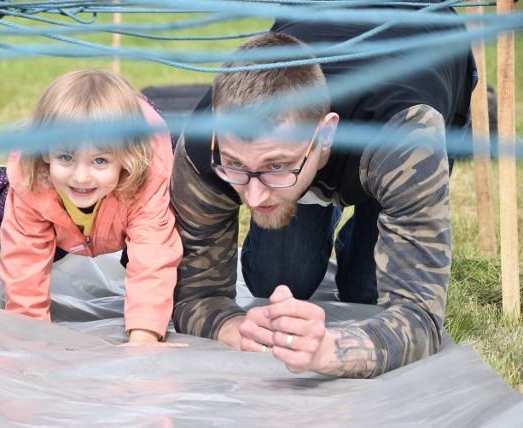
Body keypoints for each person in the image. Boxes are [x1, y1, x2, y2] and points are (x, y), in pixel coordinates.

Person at [170, 8, 475, 376]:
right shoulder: (205, 144)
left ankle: (376, 210)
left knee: (366, 294)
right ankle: (316, 190)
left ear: (326, 134)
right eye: (236, 165)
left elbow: (419, 315)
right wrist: (232, 328)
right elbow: (197, 295)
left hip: (429, 45)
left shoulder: (407, 140)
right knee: (275, 278)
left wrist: (335, 350)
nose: (252, 198)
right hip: (316, 18)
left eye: (276, 166)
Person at [0, 69, 183, 346]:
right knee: (7, 219)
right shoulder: (33, 182)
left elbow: (153, 252)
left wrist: (145, 336)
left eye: (99, 161)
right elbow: (24, 259)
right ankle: (2, 189)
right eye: (66, 157)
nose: (82, 177)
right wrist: (30, 332)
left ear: (126, 158)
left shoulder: (146, 177)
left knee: (165, 245)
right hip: (56, 213)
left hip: (124, 207)